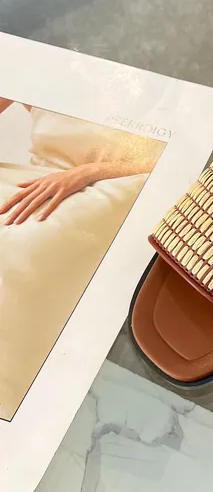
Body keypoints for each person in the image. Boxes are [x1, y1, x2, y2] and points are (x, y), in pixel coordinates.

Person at [0, 98, 164, 420]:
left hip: (117, 178)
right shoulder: (41, 70)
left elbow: (183, 151)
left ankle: (16, 400)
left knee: (15, 249)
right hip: (40, 177)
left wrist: (90, 171)